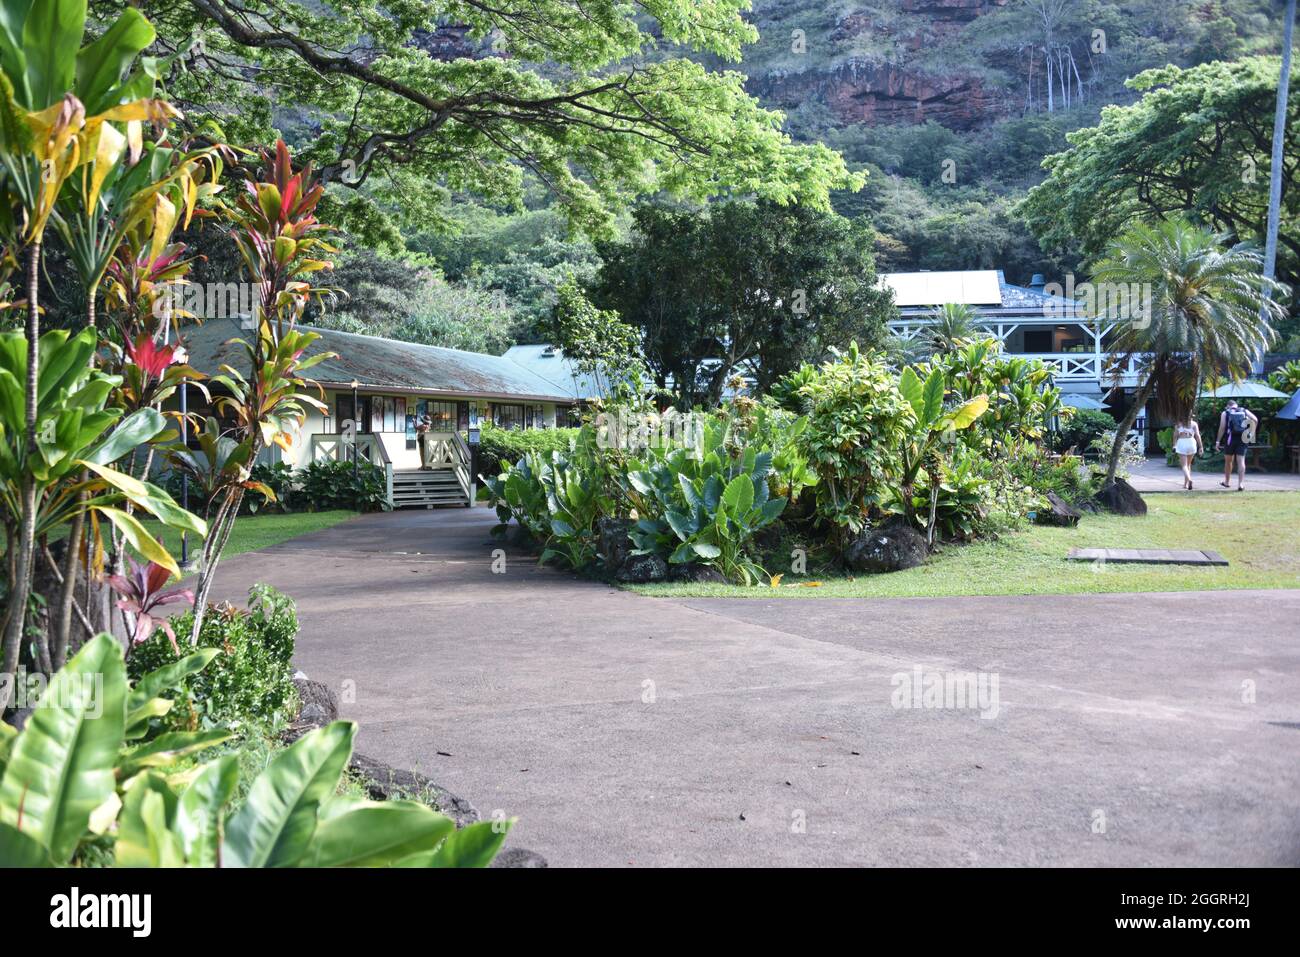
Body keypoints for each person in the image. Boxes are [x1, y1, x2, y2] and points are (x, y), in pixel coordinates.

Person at [1214, 400, 1257, 490]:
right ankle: (1240, 484)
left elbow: (1222, 427)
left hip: (1230, 439)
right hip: (1243, 438)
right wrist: (1251, 433)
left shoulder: (1225, 413)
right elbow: (1255, 420)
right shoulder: (1244, 410)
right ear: (1236, 405)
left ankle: (1226, 482)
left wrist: (1218, 441)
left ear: (1227, 406)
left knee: (1228, 461)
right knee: (1241, 461)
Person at [1172, 415, 1203, 490]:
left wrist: (1174, 445)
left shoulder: (1178, 424)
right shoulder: (1194, 424)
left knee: (1184, 466)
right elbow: (1198, 436)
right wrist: (1201, 447)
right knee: (1188, 465)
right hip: (1191, 443)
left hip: (1182, 443)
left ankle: (1189, 480)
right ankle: (1185, 484)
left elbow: (1175, 436)